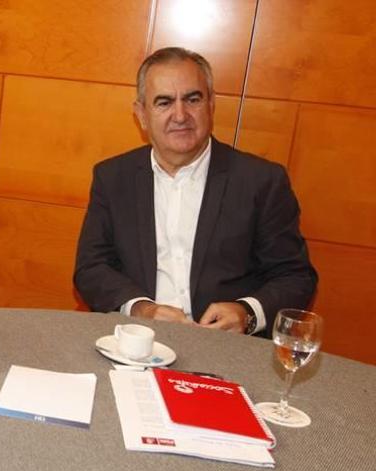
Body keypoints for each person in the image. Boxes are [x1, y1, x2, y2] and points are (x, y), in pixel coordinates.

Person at [74, 47, 317, 337]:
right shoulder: (113, 177)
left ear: (211, 104)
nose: (180, 115)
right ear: (141, 114)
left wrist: (247, 313)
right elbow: (91, 268)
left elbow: (295, 277)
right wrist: (141, 310)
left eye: (193, 99)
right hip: (136, 344)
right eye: (164, 102)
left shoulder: (261, 181)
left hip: (225, 350)